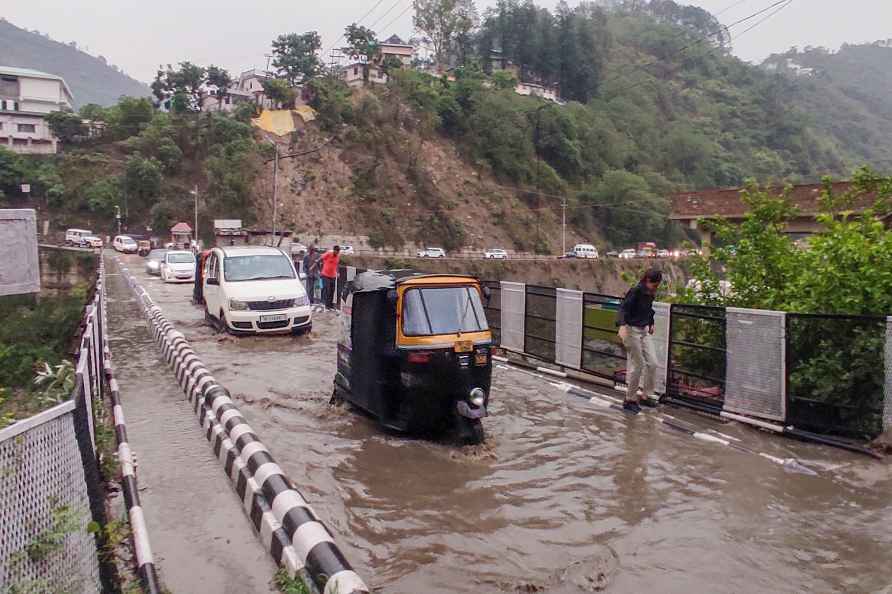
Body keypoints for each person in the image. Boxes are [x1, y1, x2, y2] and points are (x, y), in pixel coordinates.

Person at [616, 269, 663, 414]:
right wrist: (622, 326)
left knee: (653, 363)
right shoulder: (636, 291)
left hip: (644, 330)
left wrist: (651, 322)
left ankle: (646, 395)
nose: (655, 288)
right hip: (631, 330)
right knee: (638, 365)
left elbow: (648, 310)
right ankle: (629, 399)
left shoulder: (650, 293)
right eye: (654, 285)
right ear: (648, 280)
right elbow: (623, 308)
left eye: (657, 286)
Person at [319, 245, 341, 310]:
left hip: (333, 276)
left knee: (332, 290)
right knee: (327, 289)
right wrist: (320, 270)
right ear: (334, 250)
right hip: (325, 275)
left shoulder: (338, 257)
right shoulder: (328, 253)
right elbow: (320, 259)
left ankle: (330, 305)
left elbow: (337, 265)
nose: (337, 253)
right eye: (336, 251)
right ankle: (326, 304)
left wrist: (338, 272)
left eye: (338, 252)